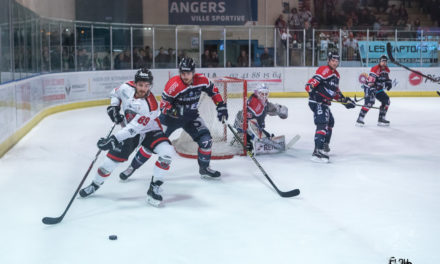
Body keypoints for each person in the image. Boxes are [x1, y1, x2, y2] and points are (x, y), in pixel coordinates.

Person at [120, 57, 228, 180]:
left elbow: (213, 91)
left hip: (191, 117)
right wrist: (175, 111)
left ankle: (204, 168)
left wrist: (221, 105)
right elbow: (164, 105)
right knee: (150, 145)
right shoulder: (174, 84)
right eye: (182, 73)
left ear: (193, 72)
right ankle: (132, 167)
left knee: (206, 140)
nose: (185, 76)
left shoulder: (202, 80)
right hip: (169, 119)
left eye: (188, 73)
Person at [79, 68, 175, 207]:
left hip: (149, 131)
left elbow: (134, 128)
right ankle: (95, 184)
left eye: (147, 85)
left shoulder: (151, 105)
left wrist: (113, 139)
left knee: (167, 152)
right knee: (108, 164)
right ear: (135, 83)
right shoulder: (126, 87)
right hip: (130, 131)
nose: (144, 89)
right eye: (141, 85)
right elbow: (115, 93)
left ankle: (155, 186)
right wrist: (114, 107)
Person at [305, 51, 356, 163]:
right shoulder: (325, 69)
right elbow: (313, 82)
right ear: (328, 60)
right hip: (317, 101)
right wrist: (310, 87)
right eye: (333, 60)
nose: (335, 63)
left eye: (337, 61)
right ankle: (317, 152)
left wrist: (346, 102)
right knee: (322, 122)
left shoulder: (336, 75)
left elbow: (335, 93)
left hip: (324, 103)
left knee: (330, 122)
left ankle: (324, 145)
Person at [233, 83, 288, 155]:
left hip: (256, 129)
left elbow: (272, 108)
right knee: (250, 142)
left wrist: (281, 110)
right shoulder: (252, 103)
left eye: (266, 93)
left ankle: (254, 140)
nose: (264, 96)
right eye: (262, 93)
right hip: (245, 130)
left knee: (267, 138)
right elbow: (245, 120)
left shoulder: (264, 103)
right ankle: (240, 139)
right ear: (257, 93)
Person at [356, 55, 392, 127]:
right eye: (382, 61)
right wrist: (372, 90)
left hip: (378, 89)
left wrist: (388, 83)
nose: (384, 63)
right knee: (369, 102)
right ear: (380, 61)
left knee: (386, 101)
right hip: (369, 87)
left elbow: (387, 78)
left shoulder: (387, 70)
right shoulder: (375, 69)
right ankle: (360, 119)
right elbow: (370, 81)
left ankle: (381, 118)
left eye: (385, 61)